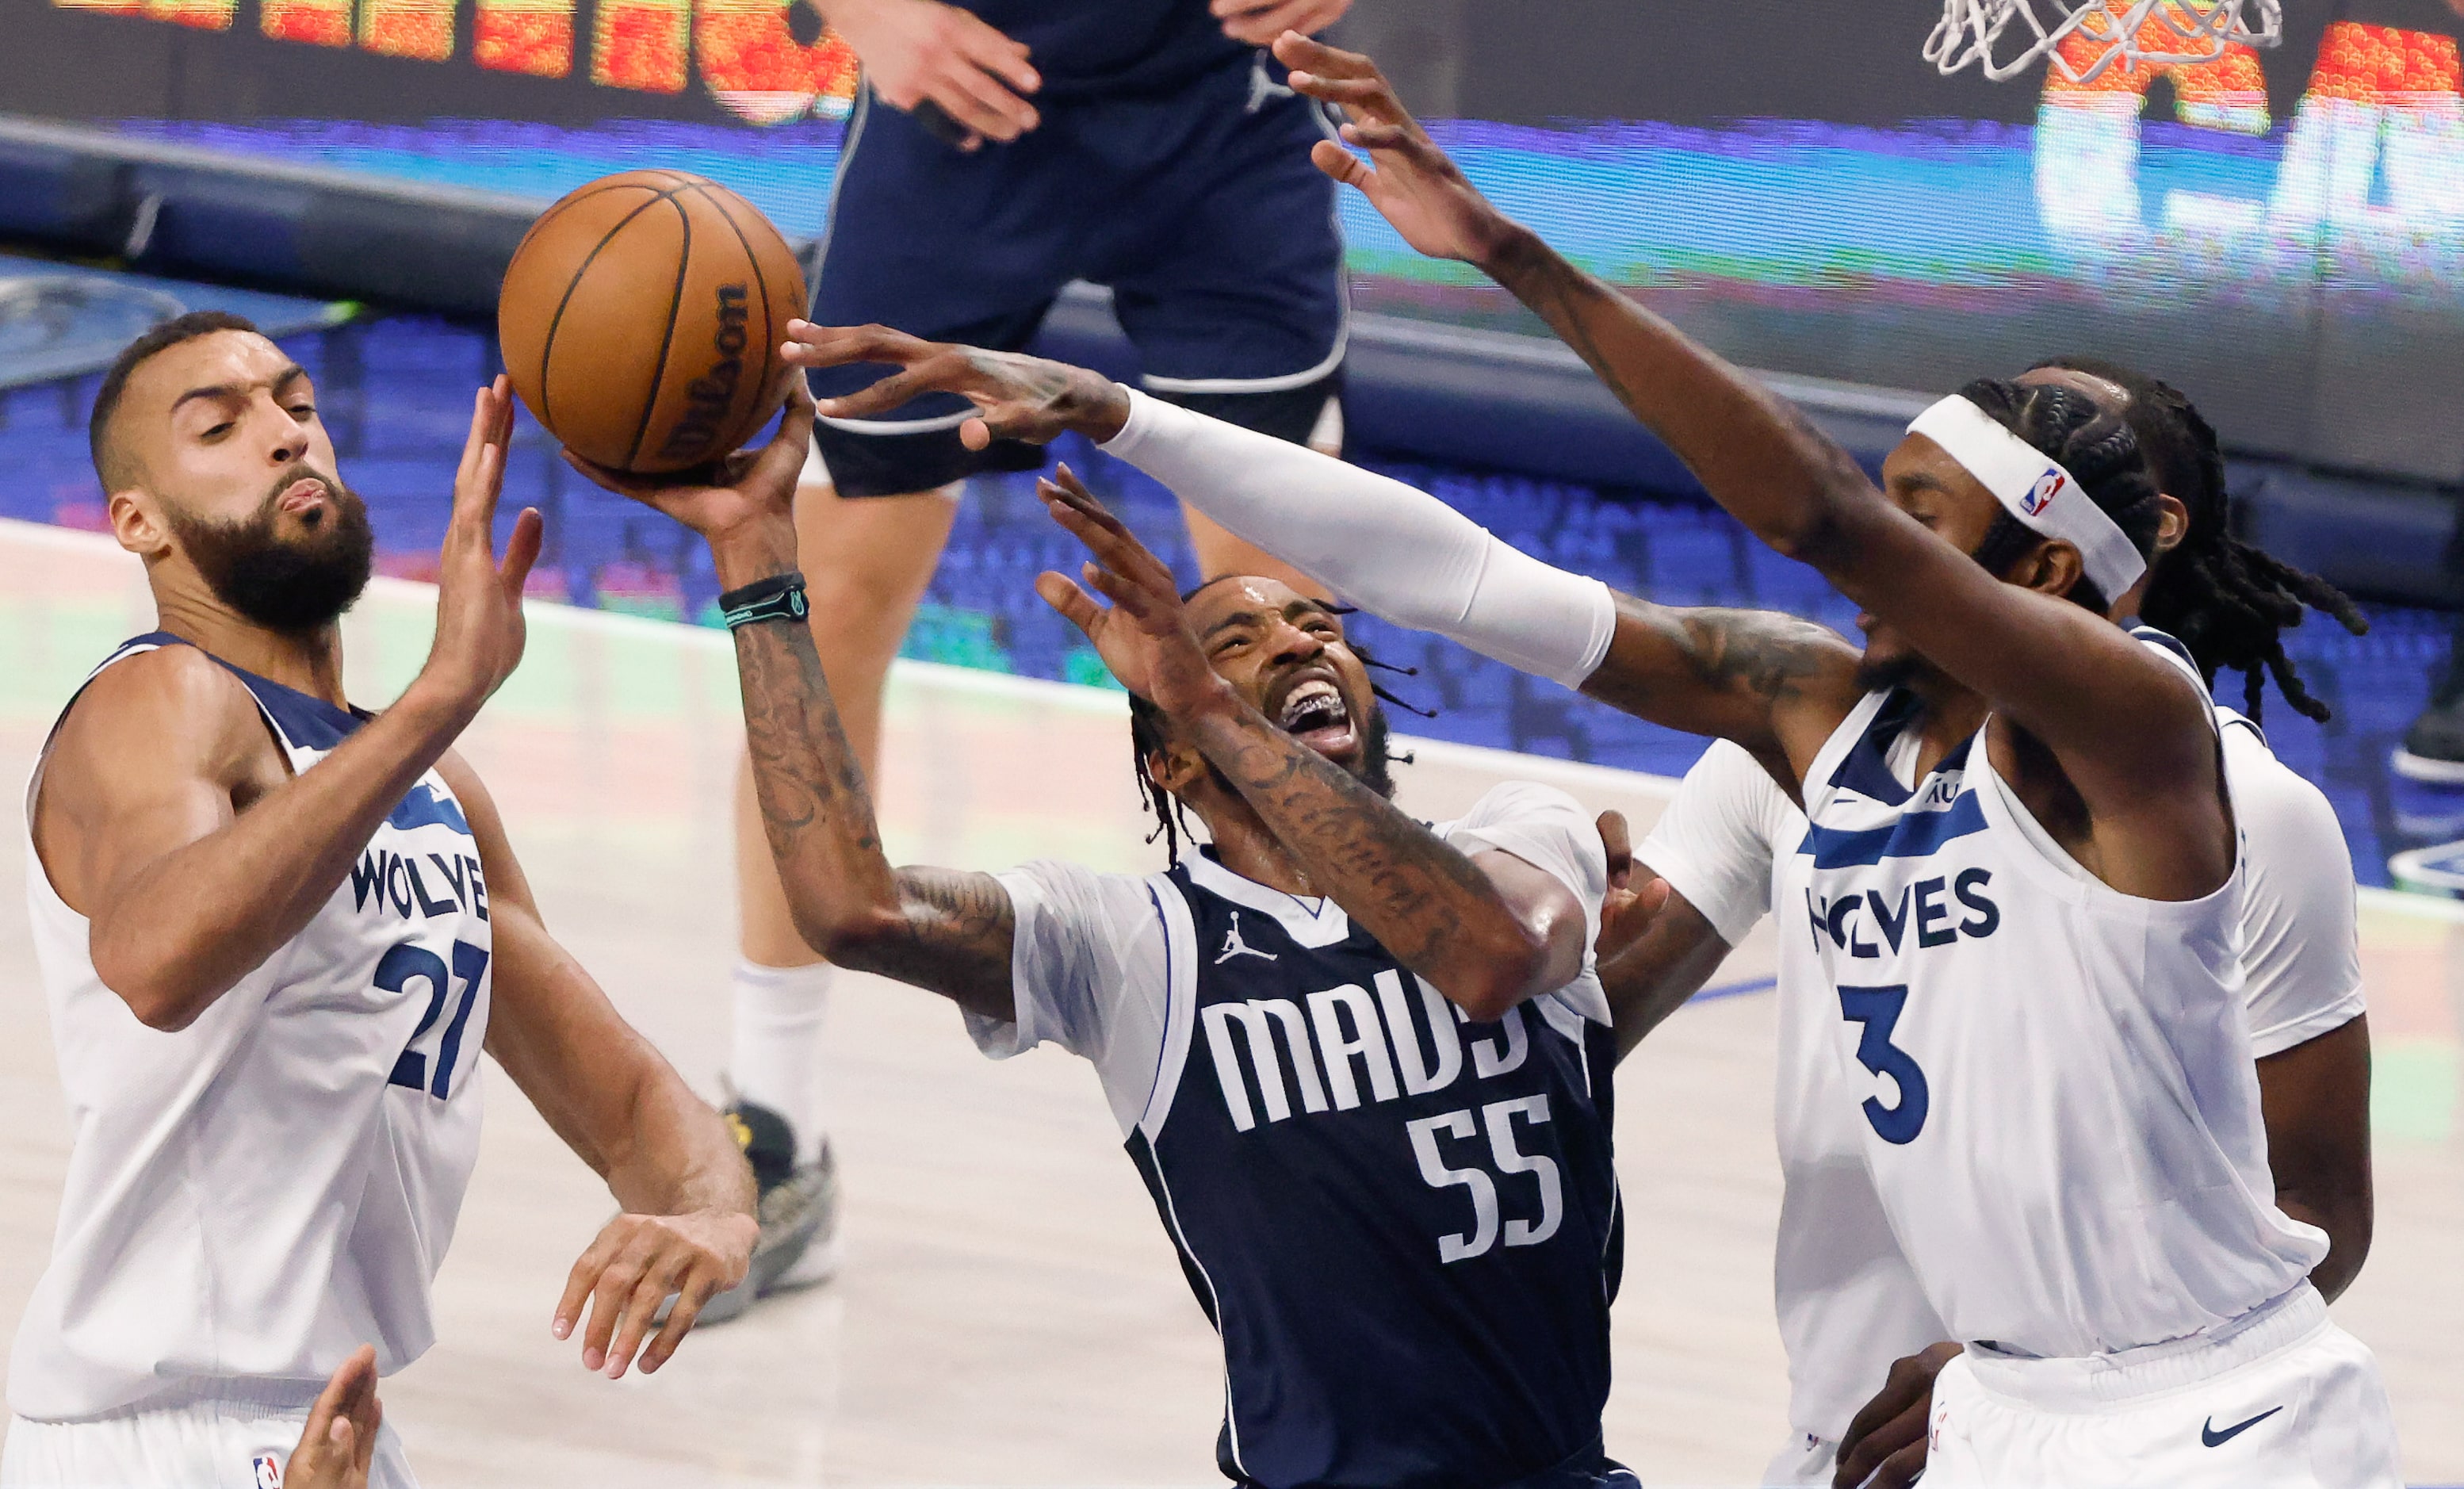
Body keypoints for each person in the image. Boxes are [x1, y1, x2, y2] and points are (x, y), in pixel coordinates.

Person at [778, 29, 2404, 1481]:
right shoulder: (1817, 730)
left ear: (2050, 575)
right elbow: (1463, 576)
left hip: (2214, 1418)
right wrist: (1116, 413)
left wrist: (1513, 253)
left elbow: (1808, 508)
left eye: (1919, 521)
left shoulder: (2139, 736)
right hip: (1985, 1411)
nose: (1865, 549)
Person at [568, 385, 1637, 1489]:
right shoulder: (1136, 944)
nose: (1296, 639)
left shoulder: (1523, 834)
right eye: (1234, 640)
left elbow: (1498, 953)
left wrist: (1211, 701)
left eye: (1315, 623)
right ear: (1166, 761)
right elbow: (852, 905)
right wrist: (755, 566)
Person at [2, 312, 757, 1488]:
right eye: (220, 424)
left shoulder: (432, 788)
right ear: (137, 523)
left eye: (297, 408)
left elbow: (625, 1100)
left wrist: (711, 1209)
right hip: (146, 1434)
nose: (284, 437)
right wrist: (438, 697)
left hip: (329, 1425)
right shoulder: (162, 701)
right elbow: (155, 959)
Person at [1599, 359, 2375, 1488]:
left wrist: (2034, 1374)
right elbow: (1580, 1027)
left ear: (2125, 533)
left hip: (2121, 1435)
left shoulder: (2259, 813)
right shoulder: (1807, 747)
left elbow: (2320, 1218)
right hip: (1847, 1433)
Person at [709, 0, 1358, 1314]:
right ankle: (770, 1124)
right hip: (963, 96)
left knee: (1278, 628)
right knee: (826, 607)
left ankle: (1358, 1077)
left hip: (1219, 108)